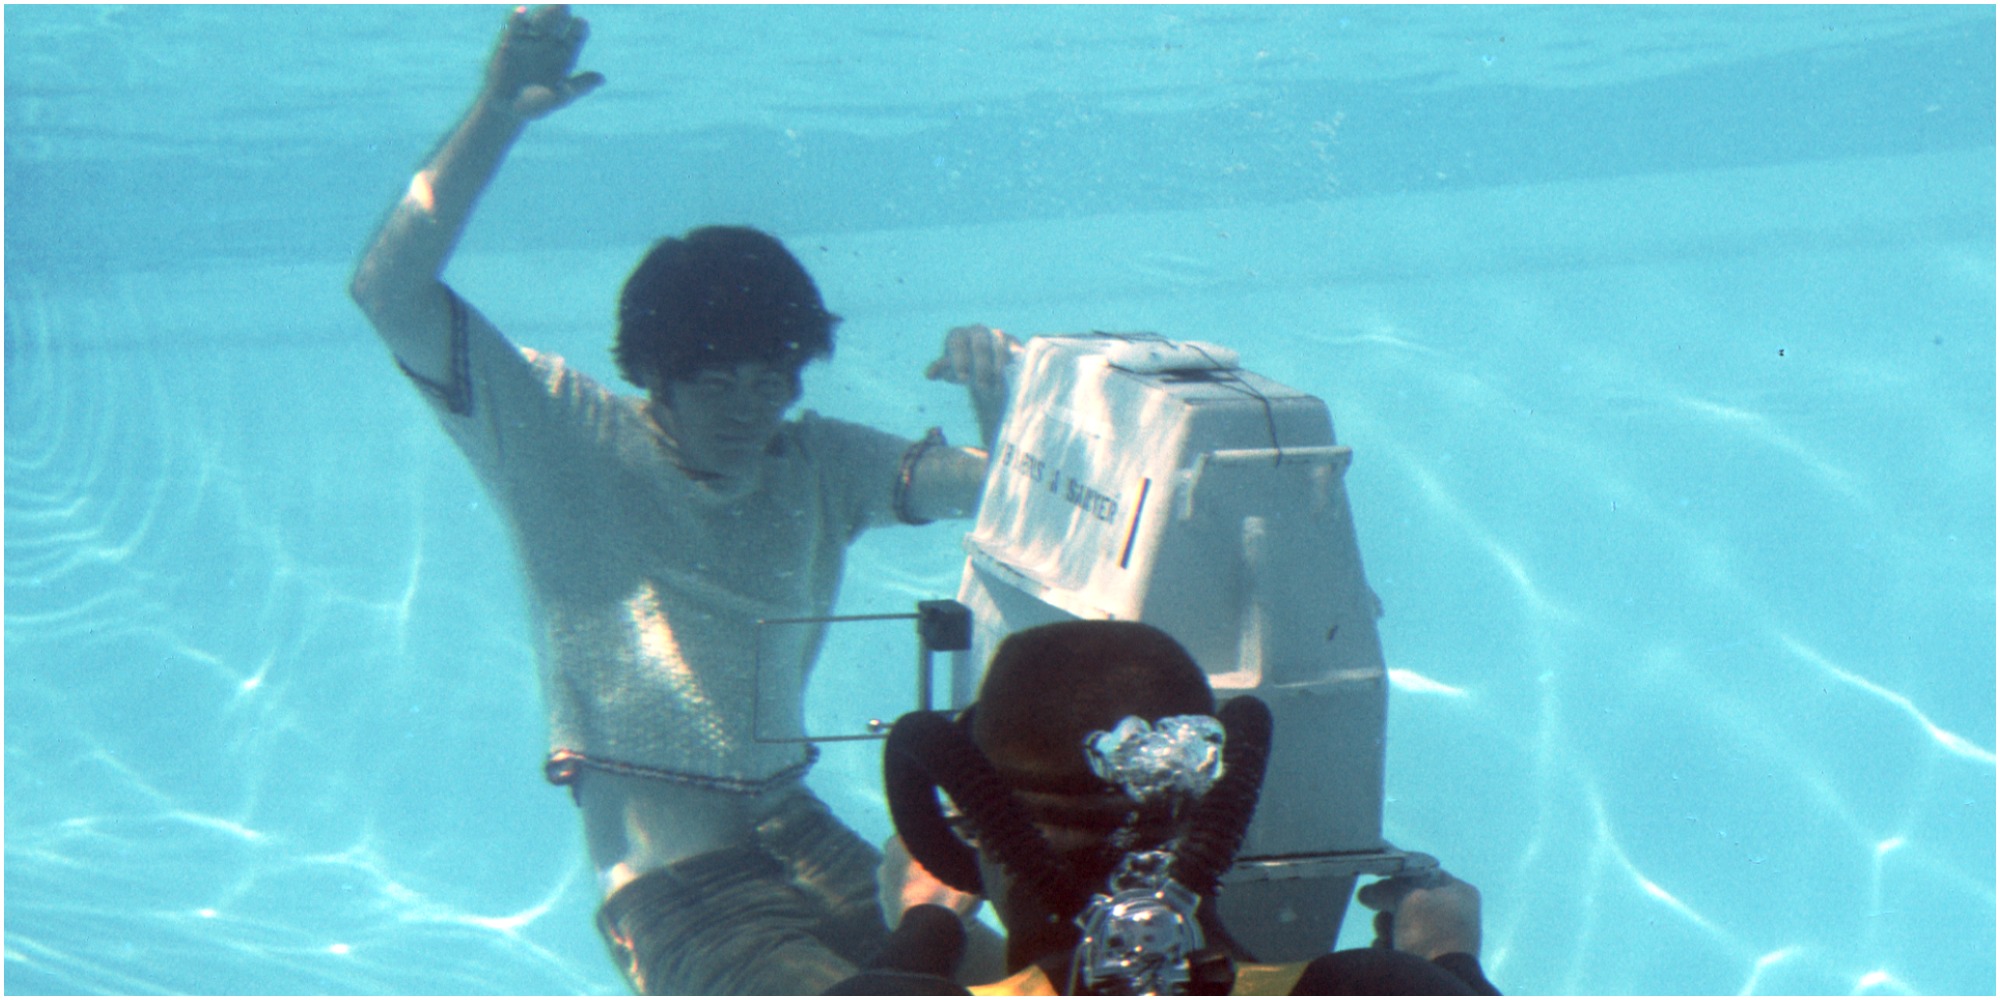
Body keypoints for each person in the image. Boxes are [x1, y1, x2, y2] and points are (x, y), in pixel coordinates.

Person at [347, 4, 1016, 994]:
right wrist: (498, 110)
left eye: (773, 377)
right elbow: (389, 291)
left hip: (801, 830)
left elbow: (1008, 497)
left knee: (1049, 980)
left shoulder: (815, 459)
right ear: (655, 371)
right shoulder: (561, 435)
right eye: (717, 381)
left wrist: (1000, 401)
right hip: (675, 884)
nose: (751, 408)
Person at [843, 620, 1499, 995]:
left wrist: (924, 928)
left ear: (985, 829)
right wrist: (1449, 957)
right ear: (1222, 813)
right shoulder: (1376, 989)